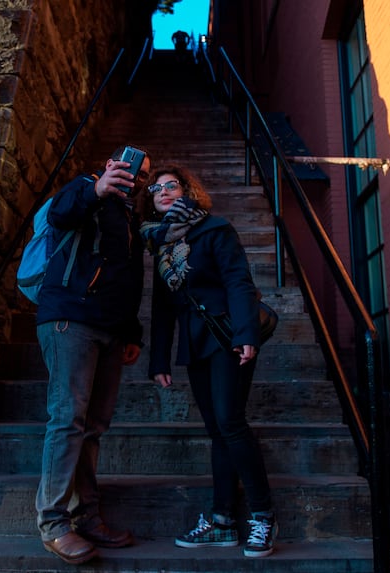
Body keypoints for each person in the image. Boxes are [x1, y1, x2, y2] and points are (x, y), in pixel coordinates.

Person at [139, 165, 278, 558]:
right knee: (217, 431)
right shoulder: (160, 244)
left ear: (187, 191)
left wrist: (246, 334)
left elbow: (238, 281)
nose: (163, 191)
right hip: (196, 344)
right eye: (155, 188)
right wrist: (159, 358)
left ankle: (263, 516)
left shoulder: (214, 229)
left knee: (231, 423)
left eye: (172, 185)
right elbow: (163, 307)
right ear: (150, 201)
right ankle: (222, 521)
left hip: (228, 338)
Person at [35, 145, 151, 565]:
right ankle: (52, 522)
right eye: (130, 169)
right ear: (110, 165)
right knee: (68, 417)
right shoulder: (85, 187)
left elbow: (130, 280)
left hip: (110, 330)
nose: (135, 178)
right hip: (70, 318)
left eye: (142, 176)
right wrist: (98, 189)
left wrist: (132, 331)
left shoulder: (131, 220)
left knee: (94, 426)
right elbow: (59, 214)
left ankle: (86, 515)